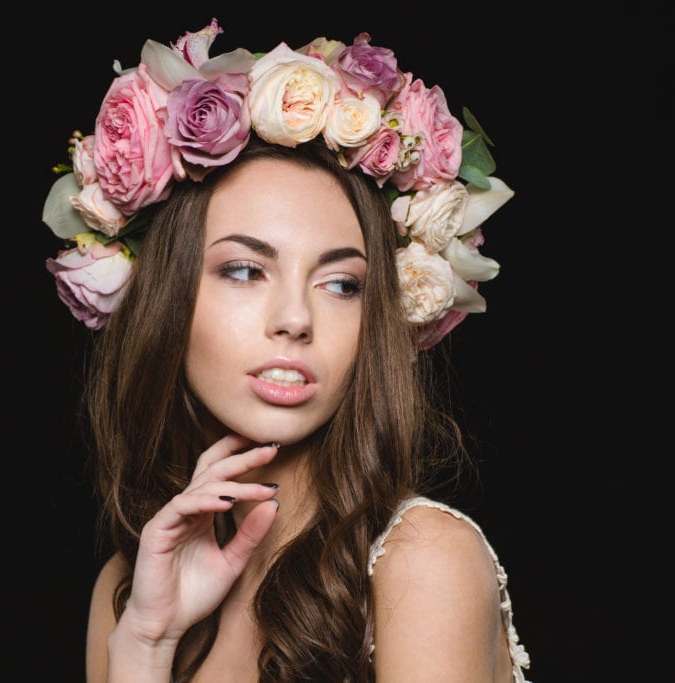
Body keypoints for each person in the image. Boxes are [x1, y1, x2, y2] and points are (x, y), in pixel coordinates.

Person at [42, 19, 531, 682]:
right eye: (245, 270)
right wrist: (147, 646)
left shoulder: (420, 563)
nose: (296, 319)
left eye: (340, 284)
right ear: (168, 298)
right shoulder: (128, 591)